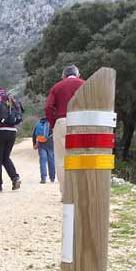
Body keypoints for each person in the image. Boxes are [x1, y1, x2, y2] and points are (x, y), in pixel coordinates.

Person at [45, 65, 85, 196]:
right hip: (81, 122)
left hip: (62, 122)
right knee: (79, 157)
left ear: (63, 76)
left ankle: (66, 194)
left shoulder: (57, 87)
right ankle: (79, 191)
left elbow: (48, 107)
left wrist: (52, 124)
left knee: (61, 159)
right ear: (78, 74)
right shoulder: (85, 85)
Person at [32, 117, 56, 184]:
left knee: (43, 160)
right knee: (51, 160)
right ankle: (52, 178)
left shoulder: (38, 124)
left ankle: (43, 178)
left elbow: (34, 135)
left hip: (40, 142)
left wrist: (34, 144)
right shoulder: (51, 124)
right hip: (50, 143)